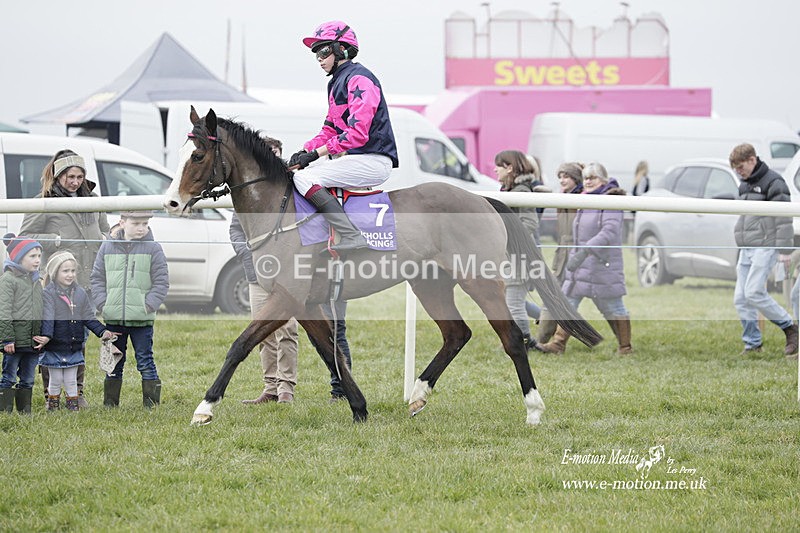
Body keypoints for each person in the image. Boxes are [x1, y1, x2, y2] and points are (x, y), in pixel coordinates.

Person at [288, 20, 399, 254]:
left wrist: (315, 155)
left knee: (304, 179)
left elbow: (357, 134)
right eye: (315, 53)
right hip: (357, 159)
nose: (319, 58)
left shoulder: (360, 79)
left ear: (341, 49)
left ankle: (351, 235)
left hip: (373, 159)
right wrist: (304, 151)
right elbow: (330, 129)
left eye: (324, 50)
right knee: (300, 173)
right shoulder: (335, 83)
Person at [20, 149, 109, 408]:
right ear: (59, 176)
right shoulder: (44, 200)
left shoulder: (93, 200)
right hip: (56, 285)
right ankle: (52, 394)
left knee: (78, 340)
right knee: (53, 339)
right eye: (70, 176)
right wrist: (56, 241)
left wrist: (104, 239)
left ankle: (76, 393)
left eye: (80, 176)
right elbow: (25, 238)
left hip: (87, 282)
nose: (75, 182)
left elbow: (105, 230)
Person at [540, 162, 633, 355]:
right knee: (568, 302)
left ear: (603, 180)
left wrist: (584, 251)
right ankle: (558, 344)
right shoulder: (584, 200)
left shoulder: (612, 201)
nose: (588, 182)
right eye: (586, 178)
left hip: (603, 265)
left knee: (615, 306)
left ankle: (625, 347)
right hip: (581, 265)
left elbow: (609, 232)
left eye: (593, 178)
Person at [91, 211, 169, 408]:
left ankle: (151, 405)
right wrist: (103, 304)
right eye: (136, 223)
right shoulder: (107, 247)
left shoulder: (153, 249)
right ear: (122, 223)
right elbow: (97, 278)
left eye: (145, 223)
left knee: (145, 361)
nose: (141, 228)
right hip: (113, 319)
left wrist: (148, 305)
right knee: (114, 363)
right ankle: (110, 404)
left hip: (142, 320)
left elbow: (161, 282)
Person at [729, 143, 798, 357]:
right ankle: (752, 343)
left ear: (752, 159)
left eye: (741, 167)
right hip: (747, 248)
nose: (738, 172)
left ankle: (790, 328)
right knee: (740, 298)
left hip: (765, 247)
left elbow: (783, 217)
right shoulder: (744, 184)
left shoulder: (775, 182)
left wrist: (784, 250)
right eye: (736, 169)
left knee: (754, 292)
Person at [38, 251, 117, 411]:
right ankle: (52, 405)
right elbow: (48, 317)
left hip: (74, 345)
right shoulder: (49, 294)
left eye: (73, 271)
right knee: (55, 378)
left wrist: (102, 332)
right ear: (55, 273)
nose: (70, 275)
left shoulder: (80, 293)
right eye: (65, 271)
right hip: (55, 346)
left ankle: (72, 406)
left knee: (71, 379)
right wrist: (46, 337)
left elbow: (88, 316)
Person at [495, 150, 541, 351]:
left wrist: (505, 237)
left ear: (510, 168)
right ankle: (545, 316)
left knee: (514, 303)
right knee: (511, 298)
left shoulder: (521, 192)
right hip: (512, 255)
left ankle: (524, 343)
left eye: (499, 165)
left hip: (519, 256)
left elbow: (530, 223)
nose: (495, 169)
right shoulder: (510, 191)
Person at [536, 162, 584, 345]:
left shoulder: (583, 198)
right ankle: (542, 339)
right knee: (554, 295)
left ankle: (622, 344)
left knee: (605, 302)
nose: (562, 181)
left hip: (578, 254)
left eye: (566, 177)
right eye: (560, 177)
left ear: (575, 178)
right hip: (562, 253)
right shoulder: (562, 197)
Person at [0, 234, 44, 414]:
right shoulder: (8, 281)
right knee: (9, 376)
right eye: (32, 256)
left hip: (32, 341)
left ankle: (25, 411)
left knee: (28, 378)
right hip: (14, 342)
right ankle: (5, 411)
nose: (37, 260)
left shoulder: (36, 281)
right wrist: (7, 339)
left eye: (39, 256)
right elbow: (3, 311)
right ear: (18, 257)